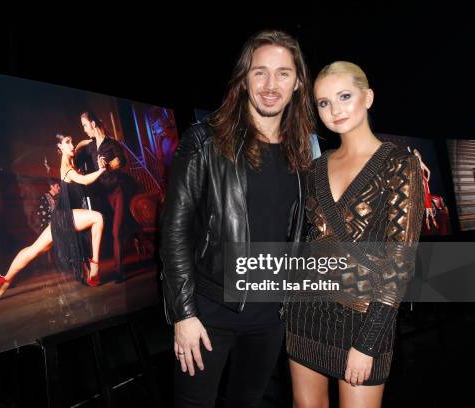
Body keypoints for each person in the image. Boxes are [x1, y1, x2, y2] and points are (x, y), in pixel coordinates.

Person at [159, 29, 315, 407]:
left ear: (297, 84)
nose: (270, 84)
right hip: (208, 314)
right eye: (260, 72)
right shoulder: (203, 141)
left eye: (283, 73)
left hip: (272, 317)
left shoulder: (304, 151)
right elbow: (174, 230)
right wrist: (184, 315)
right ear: (244, 79)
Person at [284, 61, 425, 407]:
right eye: (324, 102)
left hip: (364, 323)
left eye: (344, 96)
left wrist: (368, 343)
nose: (335, 110)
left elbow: (398, 265)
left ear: (368, 97)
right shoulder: (314, 168)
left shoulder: (400, 164)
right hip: (305, 315)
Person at [0, 134, 106, 301]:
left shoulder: (71, 160)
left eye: (72, 142)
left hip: (59, 218)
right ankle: (95, 267)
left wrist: (91, 140)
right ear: (60, 148)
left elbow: (78, 147)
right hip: (65, 217)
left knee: (33, 250)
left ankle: (2, 285)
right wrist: (101, 170)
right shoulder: (67, 168)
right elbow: (84, 180)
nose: (72, 145)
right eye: (67, 143)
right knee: (98, 217)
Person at [75, 111, 128, 282]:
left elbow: (121, 161)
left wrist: (109, 166)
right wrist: (80, 144)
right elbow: (74, 160)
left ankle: (119, 271)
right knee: (103, 232)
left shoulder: (112, 143)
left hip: (117, 192)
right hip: (101, 197)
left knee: (116, 231)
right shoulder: (89, 147)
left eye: (84, 125)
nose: (84, 129)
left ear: (92, 123)